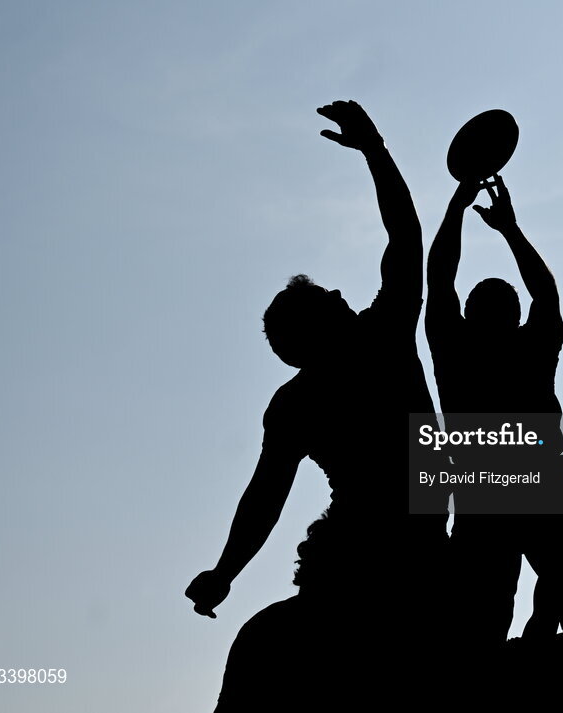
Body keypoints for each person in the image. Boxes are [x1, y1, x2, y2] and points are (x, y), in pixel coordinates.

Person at [184, 100, 447, 708]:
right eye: (329, 295)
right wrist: (375, 151)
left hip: (358, 553)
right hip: (411, 558)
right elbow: (406, 237)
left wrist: (226, 573)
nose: (338, 290)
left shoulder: (295, 402)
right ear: (324, 324)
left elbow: (264, 499)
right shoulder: (383, 337)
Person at [425, 173, 563, 648]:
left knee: (479, 627)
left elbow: (438, 277)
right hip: (541, 487)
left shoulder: (454, 350)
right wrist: (510, 230)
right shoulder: (533, 349)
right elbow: (546, 294)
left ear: (468, 314)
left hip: (483, 497)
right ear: (516, 317)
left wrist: (458, 205)